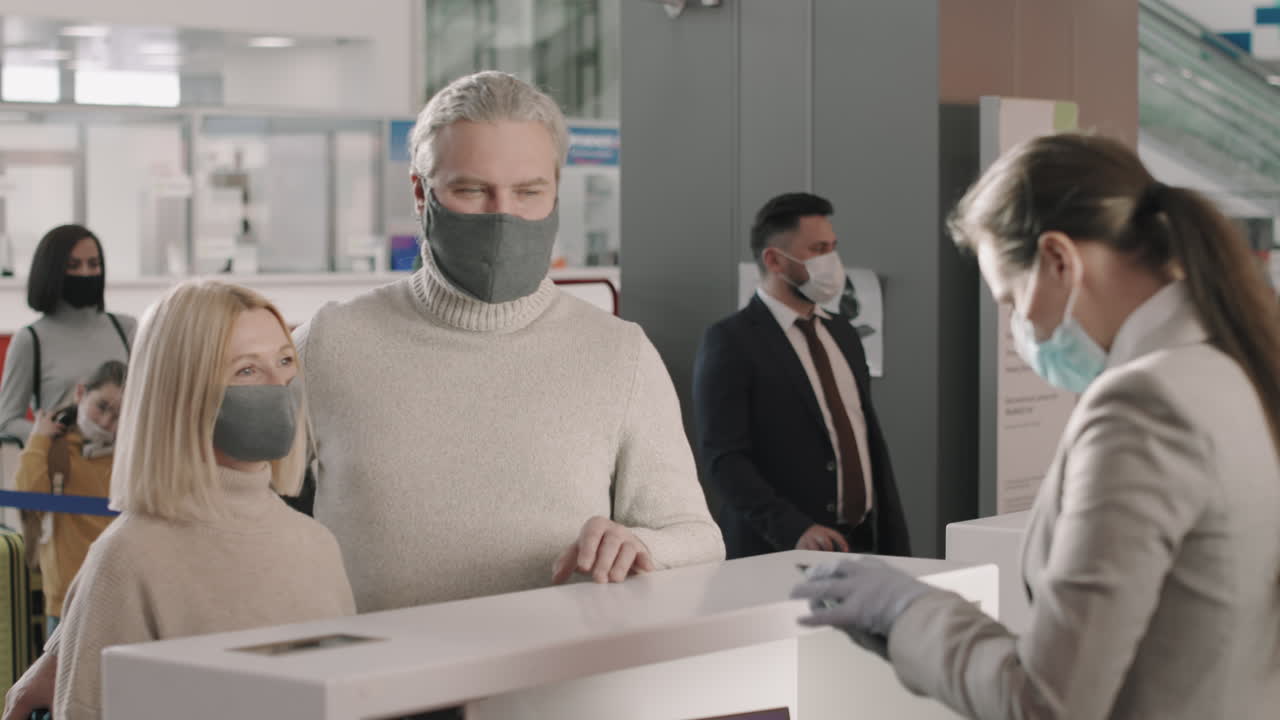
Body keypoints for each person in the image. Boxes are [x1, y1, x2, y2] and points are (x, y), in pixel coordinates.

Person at [792, 134, 1280, 719]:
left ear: (1058, 260)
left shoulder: (1142, 406)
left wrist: (906, 611)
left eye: (1011, 299)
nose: (1019, 325)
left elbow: (1047, 703)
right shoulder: (1237, 368)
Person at [294, 71, 722, 614]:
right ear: (421, 193)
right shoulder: (332, 341)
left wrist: (641, 545)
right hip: (373, 685)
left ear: (556, 192)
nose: (503, 215)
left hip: (552, 683)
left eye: (528, 191)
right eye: (472, 190)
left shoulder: (620, 353)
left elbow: (697, 535)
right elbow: (234, 513)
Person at [7, 280, 355, 720]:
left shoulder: (317, 546)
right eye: (247, 370)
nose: (280, 383)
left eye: (285, 360)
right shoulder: (129, 558)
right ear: (184, 391)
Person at [693, 193, 910, 558]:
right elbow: (724, 460)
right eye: (818, 249)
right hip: (778, 551)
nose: (832, 261)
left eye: (833, 247)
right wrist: (795, 529)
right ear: (775, 260)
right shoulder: (732, 341)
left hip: (862, 544)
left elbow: (863, 437)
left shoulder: (843, 333)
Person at [13, 359, 126, 636]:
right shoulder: (55, 448)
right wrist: (38, 440)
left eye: (119, 416)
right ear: (80, 394)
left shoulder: (130, 456)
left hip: (120, 599)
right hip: (65, 601)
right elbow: (28, 500)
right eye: (101, 406)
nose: (105, 422)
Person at [0, 225, 135, 439]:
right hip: (63, 464)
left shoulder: (127, 329)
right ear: (52, 271)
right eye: (73, 265)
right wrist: (45, 432)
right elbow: (6, 421)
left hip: (121, 464)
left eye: (94, 264)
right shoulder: (30, 340)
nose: (85, 272)